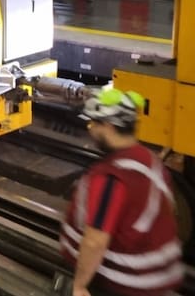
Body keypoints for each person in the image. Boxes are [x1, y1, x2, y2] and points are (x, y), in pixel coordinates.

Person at [59, 88, 184, 296]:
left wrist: (79, 286)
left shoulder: (111, 178)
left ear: (108, 126)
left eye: (93, 124)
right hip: (158, 275)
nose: (90, 130)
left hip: (124, 282)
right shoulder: (149, 159)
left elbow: (95, 241)